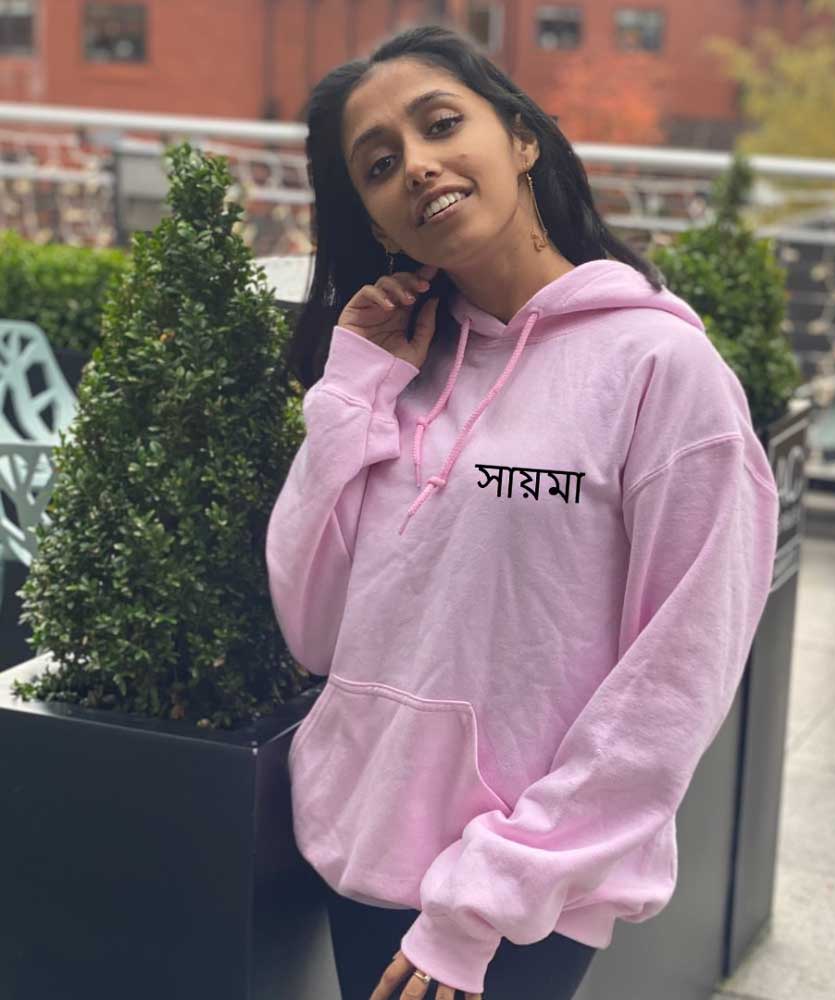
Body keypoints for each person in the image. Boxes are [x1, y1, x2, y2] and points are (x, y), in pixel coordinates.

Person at [266, 22, 780, 1000]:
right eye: (379, 165)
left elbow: (673, 680)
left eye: (441, 124)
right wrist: (351, 389)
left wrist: (480, 905)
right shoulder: (396, 370)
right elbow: (312, 623)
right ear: (374, 218)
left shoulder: (659, 371)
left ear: (521, 138)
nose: (416, 166)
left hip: (516, 895)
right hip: (355, 847)